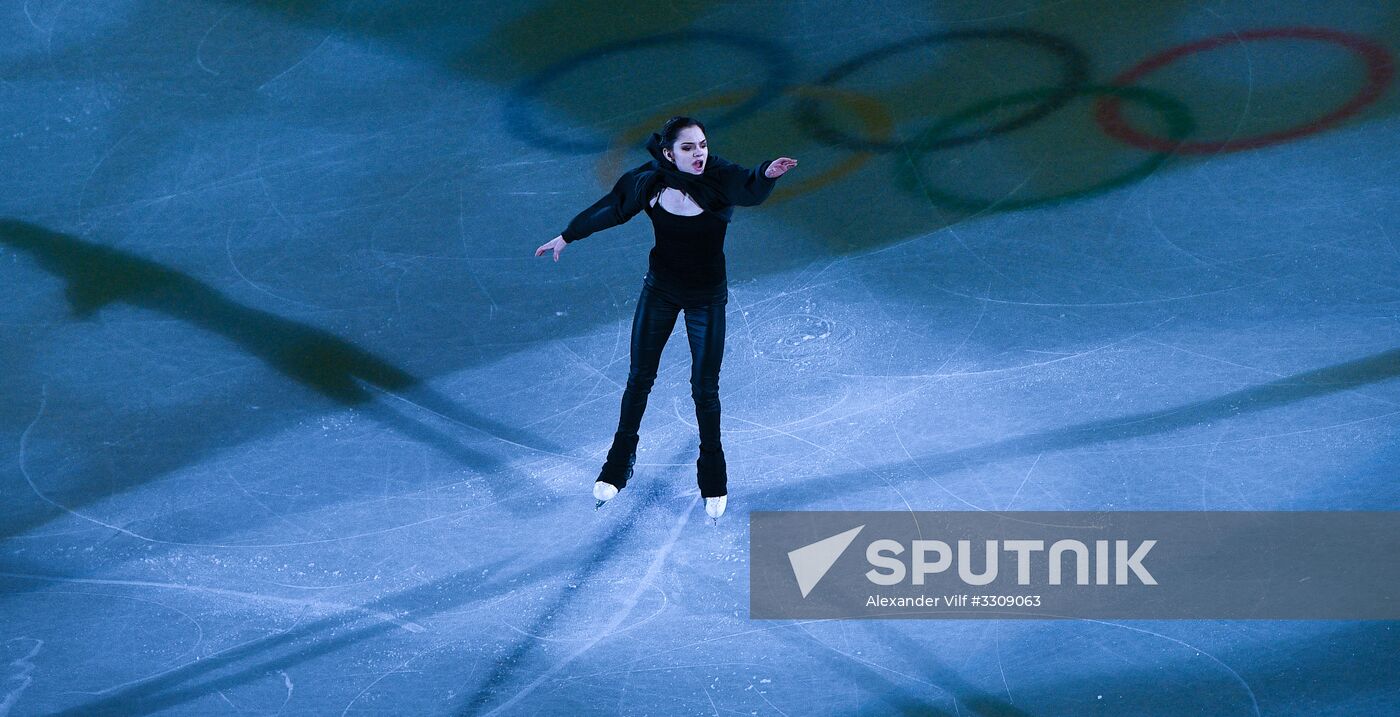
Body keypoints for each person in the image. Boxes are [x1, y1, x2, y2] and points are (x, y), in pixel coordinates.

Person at [535, 116, 798, 519]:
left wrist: (766, 173)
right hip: (660, 290)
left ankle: (713, 477)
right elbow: (612, 208)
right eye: (689, 148)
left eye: (703, 145)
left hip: (706, 298)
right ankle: (618, 465)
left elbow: (748, 185)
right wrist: (569, 235)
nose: (699, 154)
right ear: (668, 153)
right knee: (639, 378)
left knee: (705, 389)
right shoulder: (651, 181)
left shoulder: (719, 177)